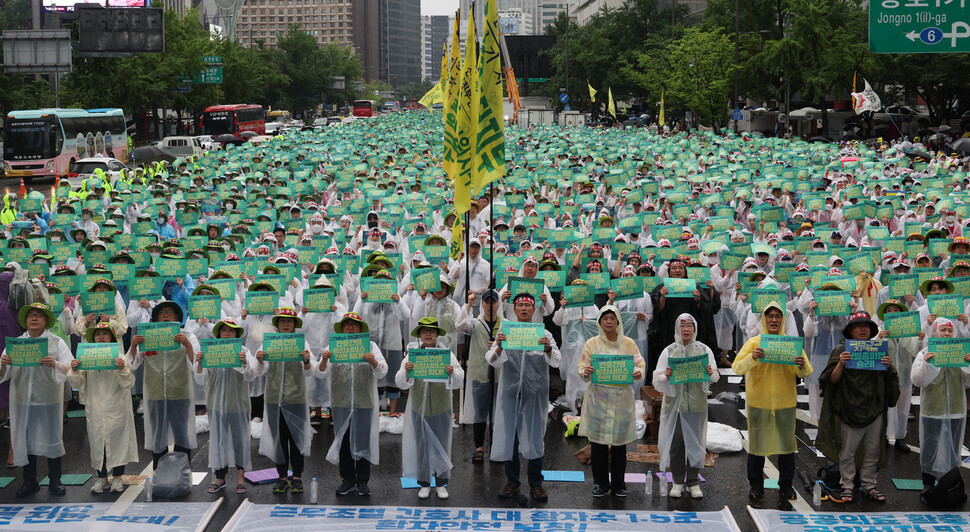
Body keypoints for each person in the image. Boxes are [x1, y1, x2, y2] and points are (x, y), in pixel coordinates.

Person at [732, 302, 812, 501]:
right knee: (758, 447)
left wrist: (800, 365)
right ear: (764, 319)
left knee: (786, 447)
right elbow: (737, 368)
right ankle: (756, 485)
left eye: (778, 316)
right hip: (759, 402)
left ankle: (786, 485)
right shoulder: (754, 343)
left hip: (785, 402)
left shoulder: (791, 343)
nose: (774, 319)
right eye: (770, 316)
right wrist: (753, 357)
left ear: (783, 319)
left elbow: (805, 371)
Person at [816, 311, 898, 504]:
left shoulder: (878, 350)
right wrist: (841, 364)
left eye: (866, 326)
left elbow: (890, 383)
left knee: (872, 450)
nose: (863, 329)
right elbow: (830, 381)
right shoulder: (841, 350)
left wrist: (889, 368)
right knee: (848, 451)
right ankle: (847, 485)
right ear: (850, 330)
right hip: (849, 408)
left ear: (871, 330)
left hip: (874, 407)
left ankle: (869, 485)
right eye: (858, 326)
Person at [487, 293, 561, 502]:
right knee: (511, 436)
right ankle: (513, 481)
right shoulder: (506, 331)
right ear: (515, 309)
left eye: (528, 305)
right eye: (520, 306)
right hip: (511, 392)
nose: (524, 309)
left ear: (534, 309)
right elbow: (492, 360)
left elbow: (557, 360)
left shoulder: (544, 333)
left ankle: (536, 483)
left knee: (535, 436)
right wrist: (500, 346)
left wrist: (547, 348)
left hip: (535, 395)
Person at [0, 303, 73, 497]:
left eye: (38, 315)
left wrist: (55, 363)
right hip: (23, 400)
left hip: (48, 399)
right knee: (25, 440)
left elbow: (71, 368)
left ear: (46, 321)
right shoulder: (15, 343)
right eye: (31, 315)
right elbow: (2, 375)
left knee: (53, 437)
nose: (34, 318)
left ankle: (55, 480)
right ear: (25, 320)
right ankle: (30, 481)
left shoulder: (56, 342)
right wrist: (3, 364)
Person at [578, 305, 646, 498]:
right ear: (599, 322)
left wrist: (638, 372)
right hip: (598, 398)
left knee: (619, 444)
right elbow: (582, 365)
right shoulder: (592, 343)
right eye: (605, 318)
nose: (608, 321)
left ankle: (619, 483)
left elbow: (639, 363)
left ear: (618, 321)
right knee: (598, 443)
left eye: (612, 318)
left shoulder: (628, 343)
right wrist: (586, 371)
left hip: (622, 398)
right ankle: (600, 483)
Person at [396, 317, 464, 500]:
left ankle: (441, 482)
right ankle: (425, 483)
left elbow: (459, 376)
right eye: (424, 331)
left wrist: (452, 373)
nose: (428, 334)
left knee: (442, 444)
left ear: (436, 335)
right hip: (419, 408)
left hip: (441, 408)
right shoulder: (412, 354)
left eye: (431, 331)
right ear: (419, 335)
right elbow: (400, 381)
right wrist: (406, 371)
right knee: (422, 446)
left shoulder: (446, 354)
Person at [320, 312, 387, 496]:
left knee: (363, 441)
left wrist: (373, 361)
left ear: (360, 327)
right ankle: (347, 479)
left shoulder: (370, 346)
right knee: (343, 441)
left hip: (363, 402)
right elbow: (321, 373)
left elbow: (383, 371)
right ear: (342, 328)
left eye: (354, 324)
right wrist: (325, 359)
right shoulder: (334, 346)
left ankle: (363, 480)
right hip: (341, 402)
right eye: (347, 324)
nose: (350, 327)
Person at [652, 313, 718, 499]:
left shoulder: (704, 350)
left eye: (690, 325)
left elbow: (715, 377)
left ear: (695, 329)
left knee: (696, 445)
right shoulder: (669, 351)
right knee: (676, 445)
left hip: (697, 405)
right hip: (675, 407)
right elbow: (657, 379)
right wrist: (666, 375)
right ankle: (678, 481)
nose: (686, 329)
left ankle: (693, 482)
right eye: (682, 326)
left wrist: (710, 372)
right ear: (677, 329)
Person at [67, 323, 138, 494]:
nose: (100, 336)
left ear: (112, 338)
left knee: (117, 442)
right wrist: (75, 370)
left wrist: (122, 368)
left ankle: (118, 478)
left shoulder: (120, 357)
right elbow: (76, 383)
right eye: (97, 334)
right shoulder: (86, 358)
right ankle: (101, 478)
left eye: (105, 334)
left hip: (116, 407)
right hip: (95, 408)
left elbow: (128, 383)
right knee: (98, 443)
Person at [128, 301, 199, 469]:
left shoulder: (187, 335)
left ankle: (183, 474)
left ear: (177, 317)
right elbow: (133, 363)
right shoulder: (148, 336)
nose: (166, 315)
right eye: (162, 312)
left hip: (179, 392)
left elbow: (195, 363)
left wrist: (187, 344)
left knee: (181, 433)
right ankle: (159, 475)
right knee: (158, 435)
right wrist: (134, 345)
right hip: (155, 392)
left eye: (170, 312)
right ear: (156, 317)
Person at [194, 318, 259, 494]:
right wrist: (199, 362)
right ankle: (220, 477)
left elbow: (251, 375)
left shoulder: (244, 351)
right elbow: (200, 379)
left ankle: (240, 476)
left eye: (231, 330)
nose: (227, 333)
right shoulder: (210, 350)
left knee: (241, 440)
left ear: (237, 334)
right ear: (218, 334)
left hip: (238, 404)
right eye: (224, 330)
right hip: (216, 403)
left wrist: (245, 362)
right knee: (218, 440)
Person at [255, 307, 315, 494]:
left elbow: (310, 371)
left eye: (289, 321)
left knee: (296, 439)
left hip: (296, 397)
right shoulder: (268, 343)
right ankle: (282, 477)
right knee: (278, 440)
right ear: (278, 325)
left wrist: (306, 361)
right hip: (274, 398)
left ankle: (297, 477)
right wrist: (260, 360)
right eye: (282, 321)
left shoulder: (301, 342)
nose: (286, 324)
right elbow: (259, 372)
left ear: (294, 324)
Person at [911, 318, 970, 493]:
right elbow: (918, 380)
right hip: (933, 410)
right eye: (942, 330)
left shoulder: (960, 353)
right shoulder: (925, 353)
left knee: (954, 447)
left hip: (955, 409)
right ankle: (928, 481)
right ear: (934, 333)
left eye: (949, 331)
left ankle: (952, 482)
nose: (946, 334)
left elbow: (967, 382)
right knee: (930, 446)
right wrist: (927, 365)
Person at [462, 289, 500, 464]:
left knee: (498, 411)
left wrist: (500, 346)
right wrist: (469, 304)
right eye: (486, 302)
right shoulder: (475, 324)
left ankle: (497, 445)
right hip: (480, 372)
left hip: (500, 374)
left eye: (493, 301)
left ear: (498, 304)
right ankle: (479, 447)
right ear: (482, 304)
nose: (490, 305)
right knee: (480, 412)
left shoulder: (506, 324)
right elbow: (459, 325)